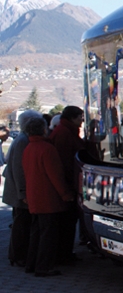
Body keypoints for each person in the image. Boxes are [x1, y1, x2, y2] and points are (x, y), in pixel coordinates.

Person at [23, 116, 75, 277]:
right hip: (47, 198)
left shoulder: (28, 148)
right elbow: (55, 175)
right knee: (48, 234)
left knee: (36, 232)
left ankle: (31, 263)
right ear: (44, 129)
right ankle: (44, 266)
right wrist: (65, 194)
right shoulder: (47, 149)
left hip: (34, 196)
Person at [2, 110, 42, 266]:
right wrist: (23, 193)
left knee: (21, 223)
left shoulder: (22, 138)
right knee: (21, 225)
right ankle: (18, 256)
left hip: (19, 190)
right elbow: (18, 169)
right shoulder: (23, 140)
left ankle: (18, 255)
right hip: (19, 192)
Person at [49, 106, 86, 262]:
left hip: (71, 182)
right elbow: (64, 163)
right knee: (67, 221)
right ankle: (63, 254)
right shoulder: (64, 133)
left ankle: (65, 252)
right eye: (79, 118)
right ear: (72, 118)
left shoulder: (66, 131)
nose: (82, 121)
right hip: (68, 184)